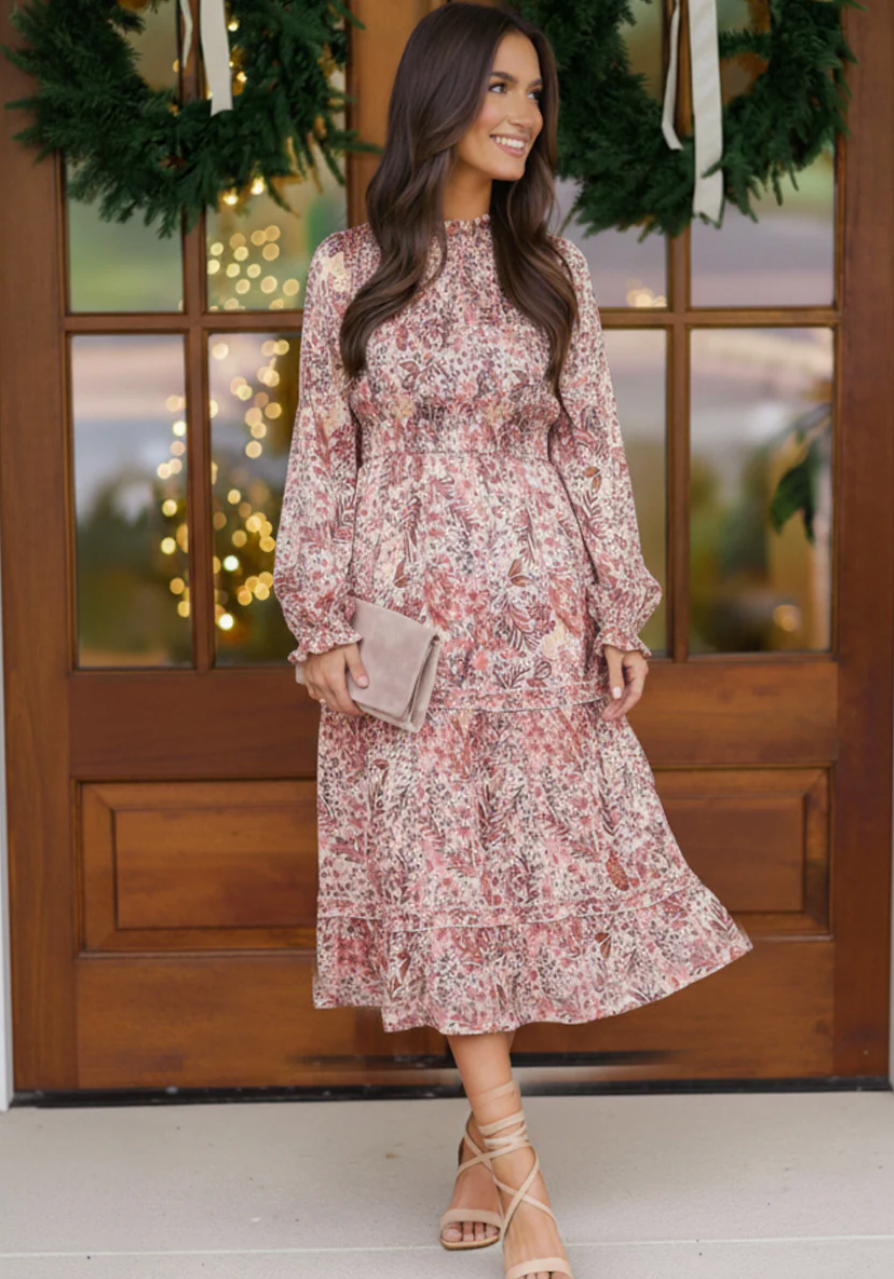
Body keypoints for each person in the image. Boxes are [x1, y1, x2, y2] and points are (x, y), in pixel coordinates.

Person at [273, 4, 753, 1276]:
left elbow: (588, 445)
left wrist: (618, 608)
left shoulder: (555, 267)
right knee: (441, 877)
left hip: (537, 619)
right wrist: (316, 617)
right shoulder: (349, 268)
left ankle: (484, 1151)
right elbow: (323, 455)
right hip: (403, 630)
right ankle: (523, 1170)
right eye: (497, 86)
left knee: (515, 878)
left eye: (535, 92)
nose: (524, 113)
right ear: (438, 96)